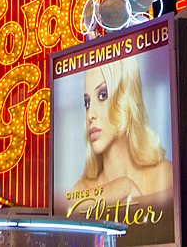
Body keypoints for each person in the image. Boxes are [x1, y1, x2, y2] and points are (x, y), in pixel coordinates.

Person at [70, 58, 173, 205]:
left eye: (102, 95)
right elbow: (63, 209)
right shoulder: (80, 190)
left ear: (125, 95)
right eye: (87, 102)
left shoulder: (165, 175)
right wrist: (122, 187)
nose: (90, 114)